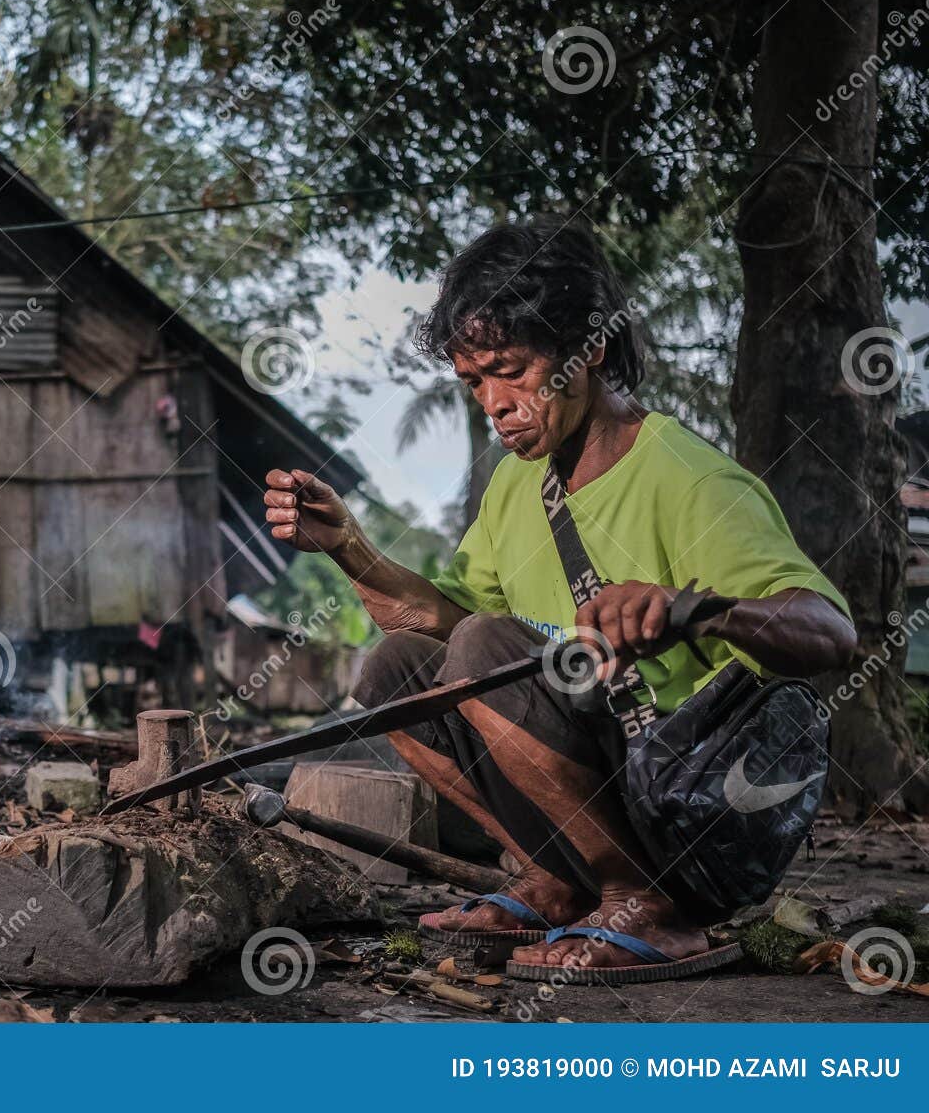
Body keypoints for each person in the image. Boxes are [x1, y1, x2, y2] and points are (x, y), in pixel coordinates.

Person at [261, 216, 856, 981]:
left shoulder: (689, 478)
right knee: (395, 672)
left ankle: (649, 904)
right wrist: (348, 545)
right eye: (475, 381)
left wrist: (692, 609)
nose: (494, 402)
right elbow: (433, 627)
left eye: (510, 368)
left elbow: (831, 632)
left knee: (482, 646)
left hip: (697, 810)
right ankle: (556, 881)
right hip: (606, 799)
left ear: (588, 347)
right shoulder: (519, 484)